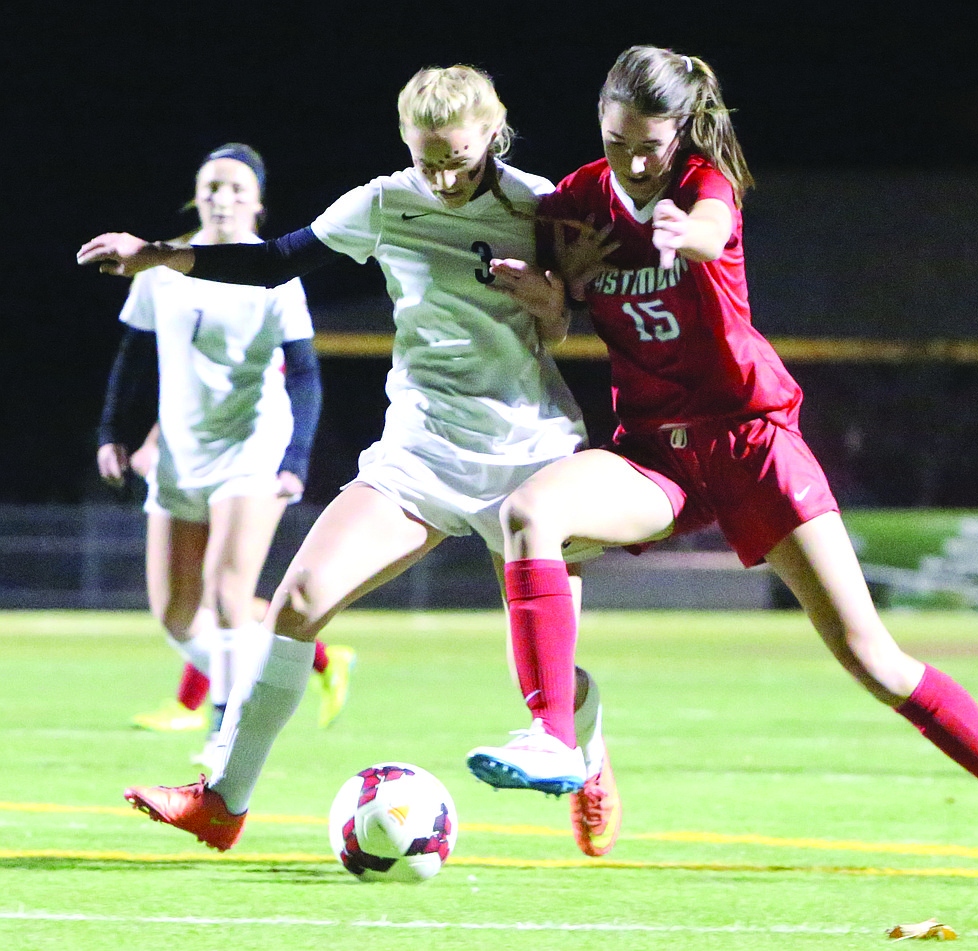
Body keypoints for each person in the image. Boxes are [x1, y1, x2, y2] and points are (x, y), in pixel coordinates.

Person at [464, 46, 978, 878]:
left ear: (682, 132)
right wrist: (554, 302)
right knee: (528, 516)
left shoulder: (702, 184)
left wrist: (683, 234)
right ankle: (559, 737)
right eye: (616, 138)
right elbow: (557, 324)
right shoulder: (577, 203)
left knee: (872, 656)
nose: (632, 158)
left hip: (752, 441)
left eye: (649, 144)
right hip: (655, 452)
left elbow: (712, 226)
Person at [77, 66, 620, 857]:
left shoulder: (541, 204)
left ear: (492, 135)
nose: (441, 178)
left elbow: (587, 311)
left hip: (527, 457)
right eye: (426, 158)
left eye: (458, 160)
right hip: (418, 452)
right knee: (298, 599)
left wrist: (555, 306)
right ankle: (221, 802)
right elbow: (273, 261)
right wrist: (158, 254)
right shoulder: (383, 201)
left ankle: (588, 756)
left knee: (546, 674)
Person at [95, 144, 356, 765]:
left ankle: (225, 731)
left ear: (258, 203)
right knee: (177, 615)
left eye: (237, 188)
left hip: (252, 446)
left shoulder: (274, 276)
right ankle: (317, 658)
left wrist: (294, 460)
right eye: (212, 186)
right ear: (197, 195)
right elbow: (133, 358)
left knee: (227, 593)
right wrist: (112, 433)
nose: (222, 197)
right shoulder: (160, 266)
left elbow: (305, 377)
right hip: (180, 454)